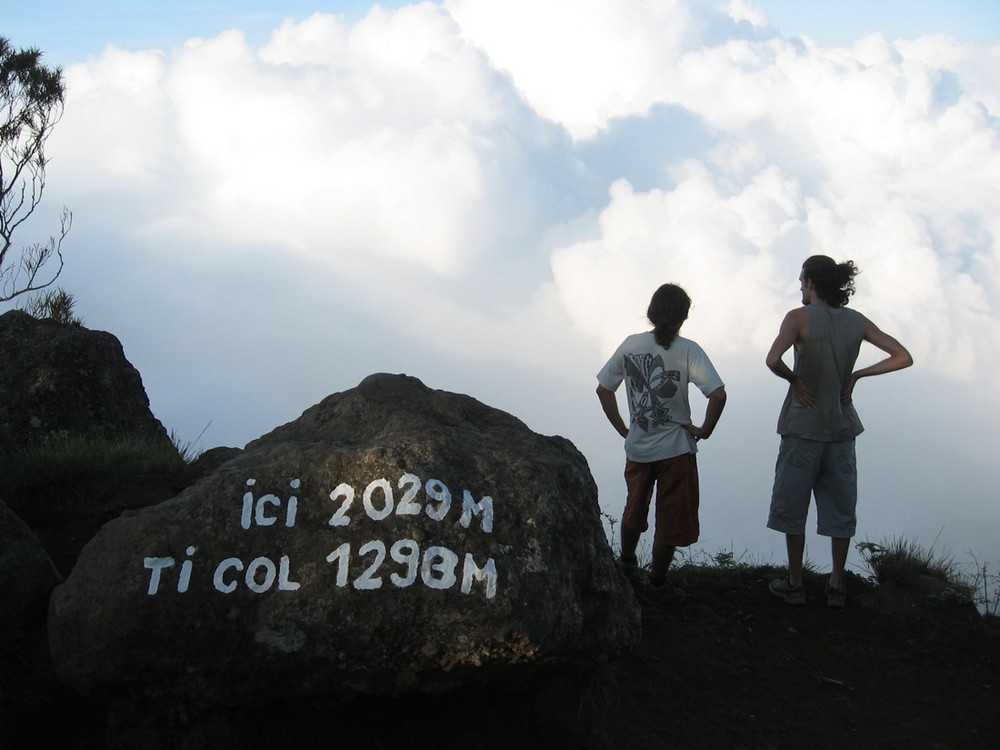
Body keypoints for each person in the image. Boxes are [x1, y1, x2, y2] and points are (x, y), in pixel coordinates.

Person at [765, 255, 912, 607]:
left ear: (812, 282)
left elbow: (772, 360)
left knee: (793, 505)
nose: (800, 287)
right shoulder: (856, 321)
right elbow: (902, 356)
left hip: (803, 425)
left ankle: (796, 582)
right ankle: (835, 583)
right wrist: (858, 374)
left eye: (802, 281)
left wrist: (795, 380)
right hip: (841, 427)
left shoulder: (798, 318)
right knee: (840, 508)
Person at [596, 283, 727, 603]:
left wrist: (624, 429)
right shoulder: (688, 350)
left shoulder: (631, 345)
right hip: (677, 450)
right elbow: (718, 394)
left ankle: (626, 565)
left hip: (639, 447)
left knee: (634, 507)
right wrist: (705, 430)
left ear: (652, 312)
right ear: (683, 316)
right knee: (670, 515)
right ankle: (657, 583)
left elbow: (603, 389)